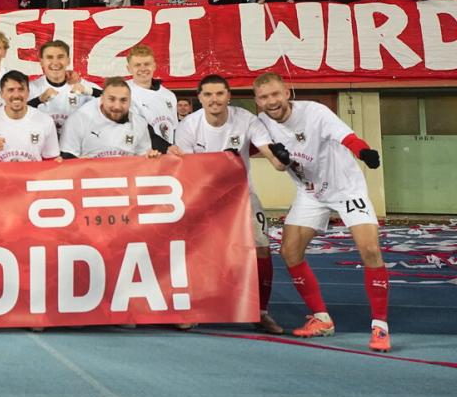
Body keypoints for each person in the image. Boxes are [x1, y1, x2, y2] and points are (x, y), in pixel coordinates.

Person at [251, 72, 391, 352]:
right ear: (257, 101)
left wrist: (364, 152)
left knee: (370, 250)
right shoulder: (262, 124)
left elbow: (347, 137)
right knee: (290, 252)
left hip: (346, 189)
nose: (271, 101)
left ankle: (380, 326)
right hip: (311, 193)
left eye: (275, 94)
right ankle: (322, 318)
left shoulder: (315, 112)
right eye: (264, 97)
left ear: (287, 92)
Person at [175, 75, 283, 335]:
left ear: (228, 96)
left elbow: (267, 148)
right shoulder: (189, 126)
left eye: (219, 94)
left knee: (261, 249)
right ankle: (193, 308)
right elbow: (186, 167)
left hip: (242, 195)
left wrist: (279, 162)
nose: (214, 100)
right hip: (203, 197)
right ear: (199, 98)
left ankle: (261, 312)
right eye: (208, 95)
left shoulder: (246, 120)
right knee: (193, 252)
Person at [59, 78, 164, 159]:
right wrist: (76, 163)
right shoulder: (79, 119)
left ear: (130, 102)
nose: (117, 106)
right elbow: (67, 160)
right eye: (111, 99)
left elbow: (142, 160)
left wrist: (150, 158)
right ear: (102, 99)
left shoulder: (140, 123)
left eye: (123, 100)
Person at [0, 71, 61, 162]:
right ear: (1, 94)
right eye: (11, 90)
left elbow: (50, 161)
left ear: (28, 92)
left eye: (21, 89)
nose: (16, 95)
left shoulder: (45, 121)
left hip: (33, 176)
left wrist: (56, 162)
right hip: (1, 176)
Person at [27, 40, 100, 136]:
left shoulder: (83, 86)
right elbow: (14, 115)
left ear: (68, 61)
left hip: (75, 148)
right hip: (41, 147)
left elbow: (113, 99)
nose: (55, 62)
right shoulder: (31, 88)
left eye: (60, 57)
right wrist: (38, 100)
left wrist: (89, 91)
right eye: (49, 57)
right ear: (41, 62)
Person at [125, 44, 178, 144]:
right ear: (129, 69)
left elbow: (174, 129)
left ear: (154, 66)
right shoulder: (124, 92)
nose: (143, 68)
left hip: (167, 154)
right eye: (137, 65)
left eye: (147, 64)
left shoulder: (169, 95)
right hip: (139, 155)